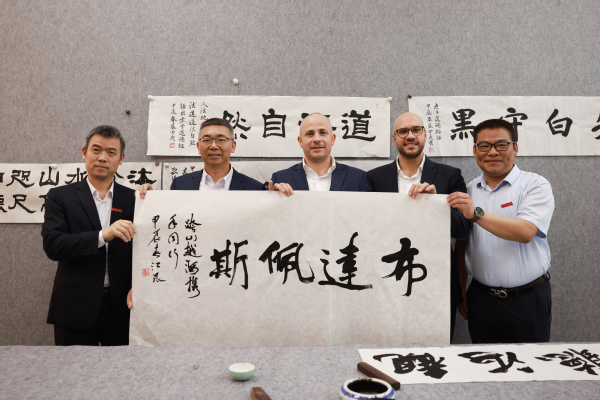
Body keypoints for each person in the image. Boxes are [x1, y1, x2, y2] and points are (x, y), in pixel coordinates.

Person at [448, 119, 554, 343]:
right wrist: (462, 289)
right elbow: (463, 243)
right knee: (485, 362)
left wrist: (476, 214)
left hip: (527, 300)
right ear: (475, 151)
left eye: (501, 145)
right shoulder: (469, 190)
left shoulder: (534, 185)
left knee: (530, 363)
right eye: (484, 146)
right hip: (481, 300)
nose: (492, 152)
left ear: (515, 148)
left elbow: (525, 232)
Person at [366, 112, 469, 341]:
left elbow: (463, 229)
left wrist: (435, 204)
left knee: (437, 351)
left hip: (437, 282)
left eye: (416, 130)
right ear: (394, 138)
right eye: (403, 131)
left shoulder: (450, 176)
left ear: (425, 134)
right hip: (387, 279)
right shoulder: (373, 178)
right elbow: (366, 229)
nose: (410, 136)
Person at [42, 125, 136, 346]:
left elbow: (146, 251)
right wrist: (102, 236)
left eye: (111, 152)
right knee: (73, 367)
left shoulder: (133, 198)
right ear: (84, 153)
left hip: (122, 306)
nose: (102, 157)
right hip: (74, 306)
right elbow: (54, 246)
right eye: (96, 150)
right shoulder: (60, 197)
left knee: (123, 367)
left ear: (121, 159)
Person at [139, 118, 264, 196]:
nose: (213, 146)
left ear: (233, 146)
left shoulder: (255, 188)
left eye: (221, 140)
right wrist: (150, 198)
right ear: (198, 147)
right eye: (207, 140)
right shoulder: (180, 185)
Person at [269, 113, 371, 194]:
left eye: (323, 133)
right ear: (300, 141)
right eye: (310, 134)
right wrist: (273, 199)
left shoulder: (358, 179)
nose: (317, 139)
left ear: (333, 139)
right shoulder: (280, 179)